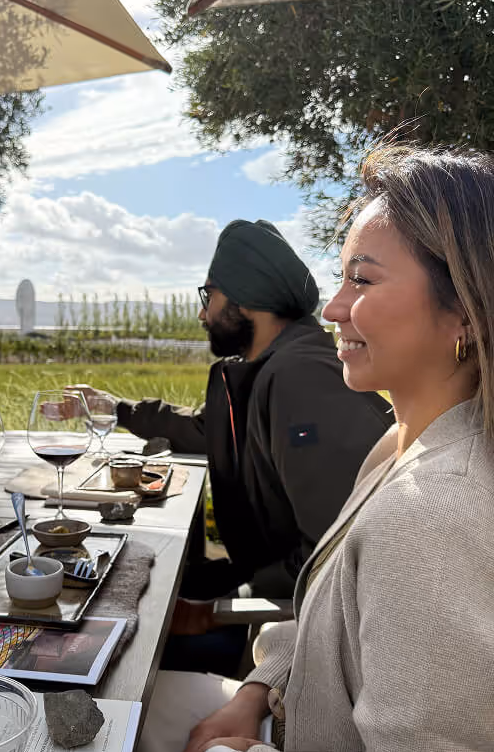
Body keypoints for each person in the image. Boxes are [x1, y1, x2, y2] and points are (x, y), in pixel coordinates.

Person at [139, 144, 494, 752]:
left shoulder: (431, 513)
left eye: (363, 279)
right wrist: (260, 689)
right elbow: (339, 608)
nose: (332, 308)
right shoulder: (397, 446)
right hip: (287, 704)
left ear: (462, 310)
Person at [70, 219, 392, 673]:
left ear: (246, 299)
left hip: (294, 627)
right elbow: (207, 430)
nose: (203, 315)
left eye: (210, 296)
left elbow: (334, 552)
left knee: (103, 645)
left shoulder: (301, 379)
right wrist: (116, 409)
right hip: (264, 585)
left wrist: (221, 606)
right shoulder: (262, 370)